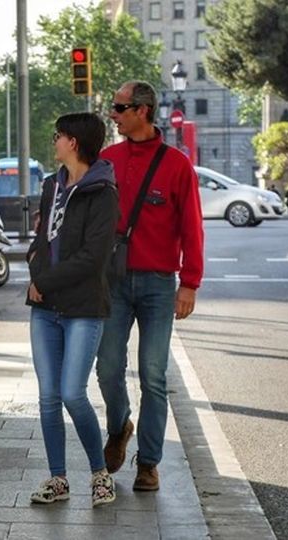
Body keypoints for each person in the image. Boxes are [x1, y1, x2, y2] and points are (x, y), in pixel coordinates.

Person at [96, 81, 204, 492]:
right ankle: (120, 424)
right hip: (114, 281)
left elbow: (192, 229)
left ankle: (149, 463)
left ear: (142, 111)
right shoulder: (108, 158)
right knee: (106, 366)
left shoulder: (177, 165)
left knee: (154, 375)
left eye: (120, 107)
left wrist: (189, 283)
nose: (113, 114)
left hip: (160, 285)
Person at [26, 113, 120, 508]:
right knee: (48, 397)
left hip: (83, 307)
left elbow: (93, 257)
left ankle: (100, 475)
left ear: (75, 143)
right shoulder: (52, 185)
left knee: (71, 393)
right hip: (45, 309)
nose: (55, 140)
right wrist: (35, 265)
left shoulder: (103, 192)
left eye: (59, 135)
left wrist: (44, 281)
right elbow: (42, 240)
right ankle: (58, 479)